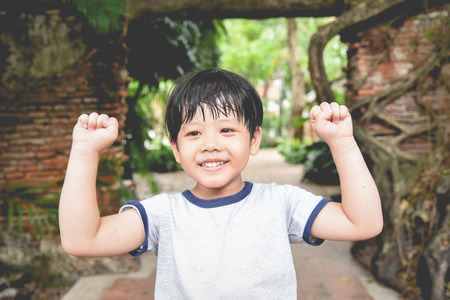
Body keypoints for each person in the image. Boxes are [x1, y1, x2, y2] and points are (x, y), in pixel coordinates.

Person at [59, 68, 383, 299]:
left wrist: (342, 143)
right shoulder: (162, 214)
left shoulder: (282, 203)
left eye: (227, 130)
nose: (210, 144)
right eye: (194, 133)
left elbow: (363, 224)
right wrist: (85, 151)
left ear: (254, 139)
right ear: (175, 148)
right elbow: (82, 240)